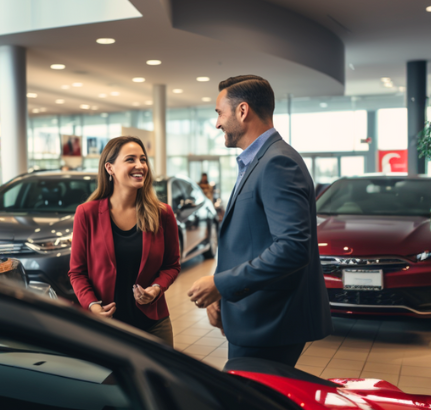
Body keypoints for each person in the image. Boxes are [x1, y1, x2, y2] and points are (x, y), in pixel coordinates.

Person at [187, 75, 332, 367]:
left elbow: (292, 248)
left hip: (271, 320)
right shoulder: (258, 161)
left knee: (251, 408)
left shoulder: (278, 162)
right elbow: (249, 240)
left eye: (219, 113)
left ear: (242, 111)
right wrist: (223, 295)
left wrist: (221, 284)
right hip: (254, 312)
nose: (217, 124)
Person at [69, 136, 181, 345]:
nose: (140, 165)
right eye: (131, 159)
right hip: (106, 325)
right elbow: (77, 272)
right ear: (109, 167)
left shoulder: (162, 213)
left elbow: (172, 266)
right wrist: (92, 305)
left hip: (153, 324)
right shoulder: (87, 213)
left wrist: (156, 288)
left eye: (143, 159)